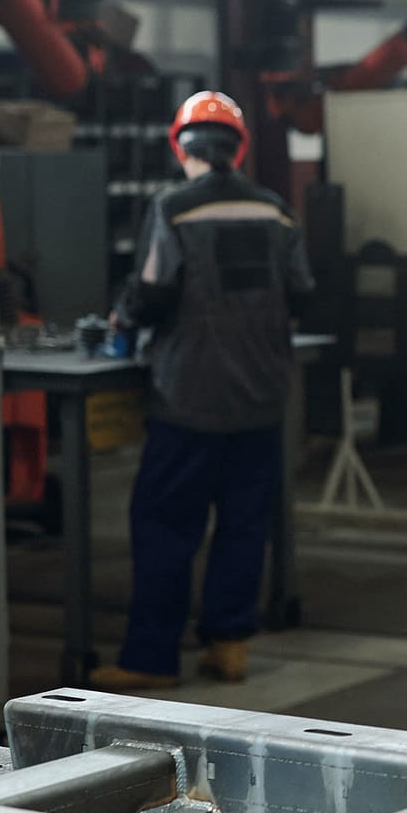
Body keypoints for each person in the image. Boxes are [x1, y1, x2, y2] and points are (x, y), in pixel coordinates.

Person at [88, 91, 315, 692]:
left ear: (179, 146)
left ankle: (151, 656)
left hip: (188, 397)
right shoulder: (276, 211)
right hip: (262, 397)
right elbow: (302, 291)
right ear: (238, 148)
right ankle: (228, 646)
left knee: (164, 524)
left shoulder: (173, 208)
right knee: (244, 523)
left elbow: (151, 292)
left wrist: (119, 319)